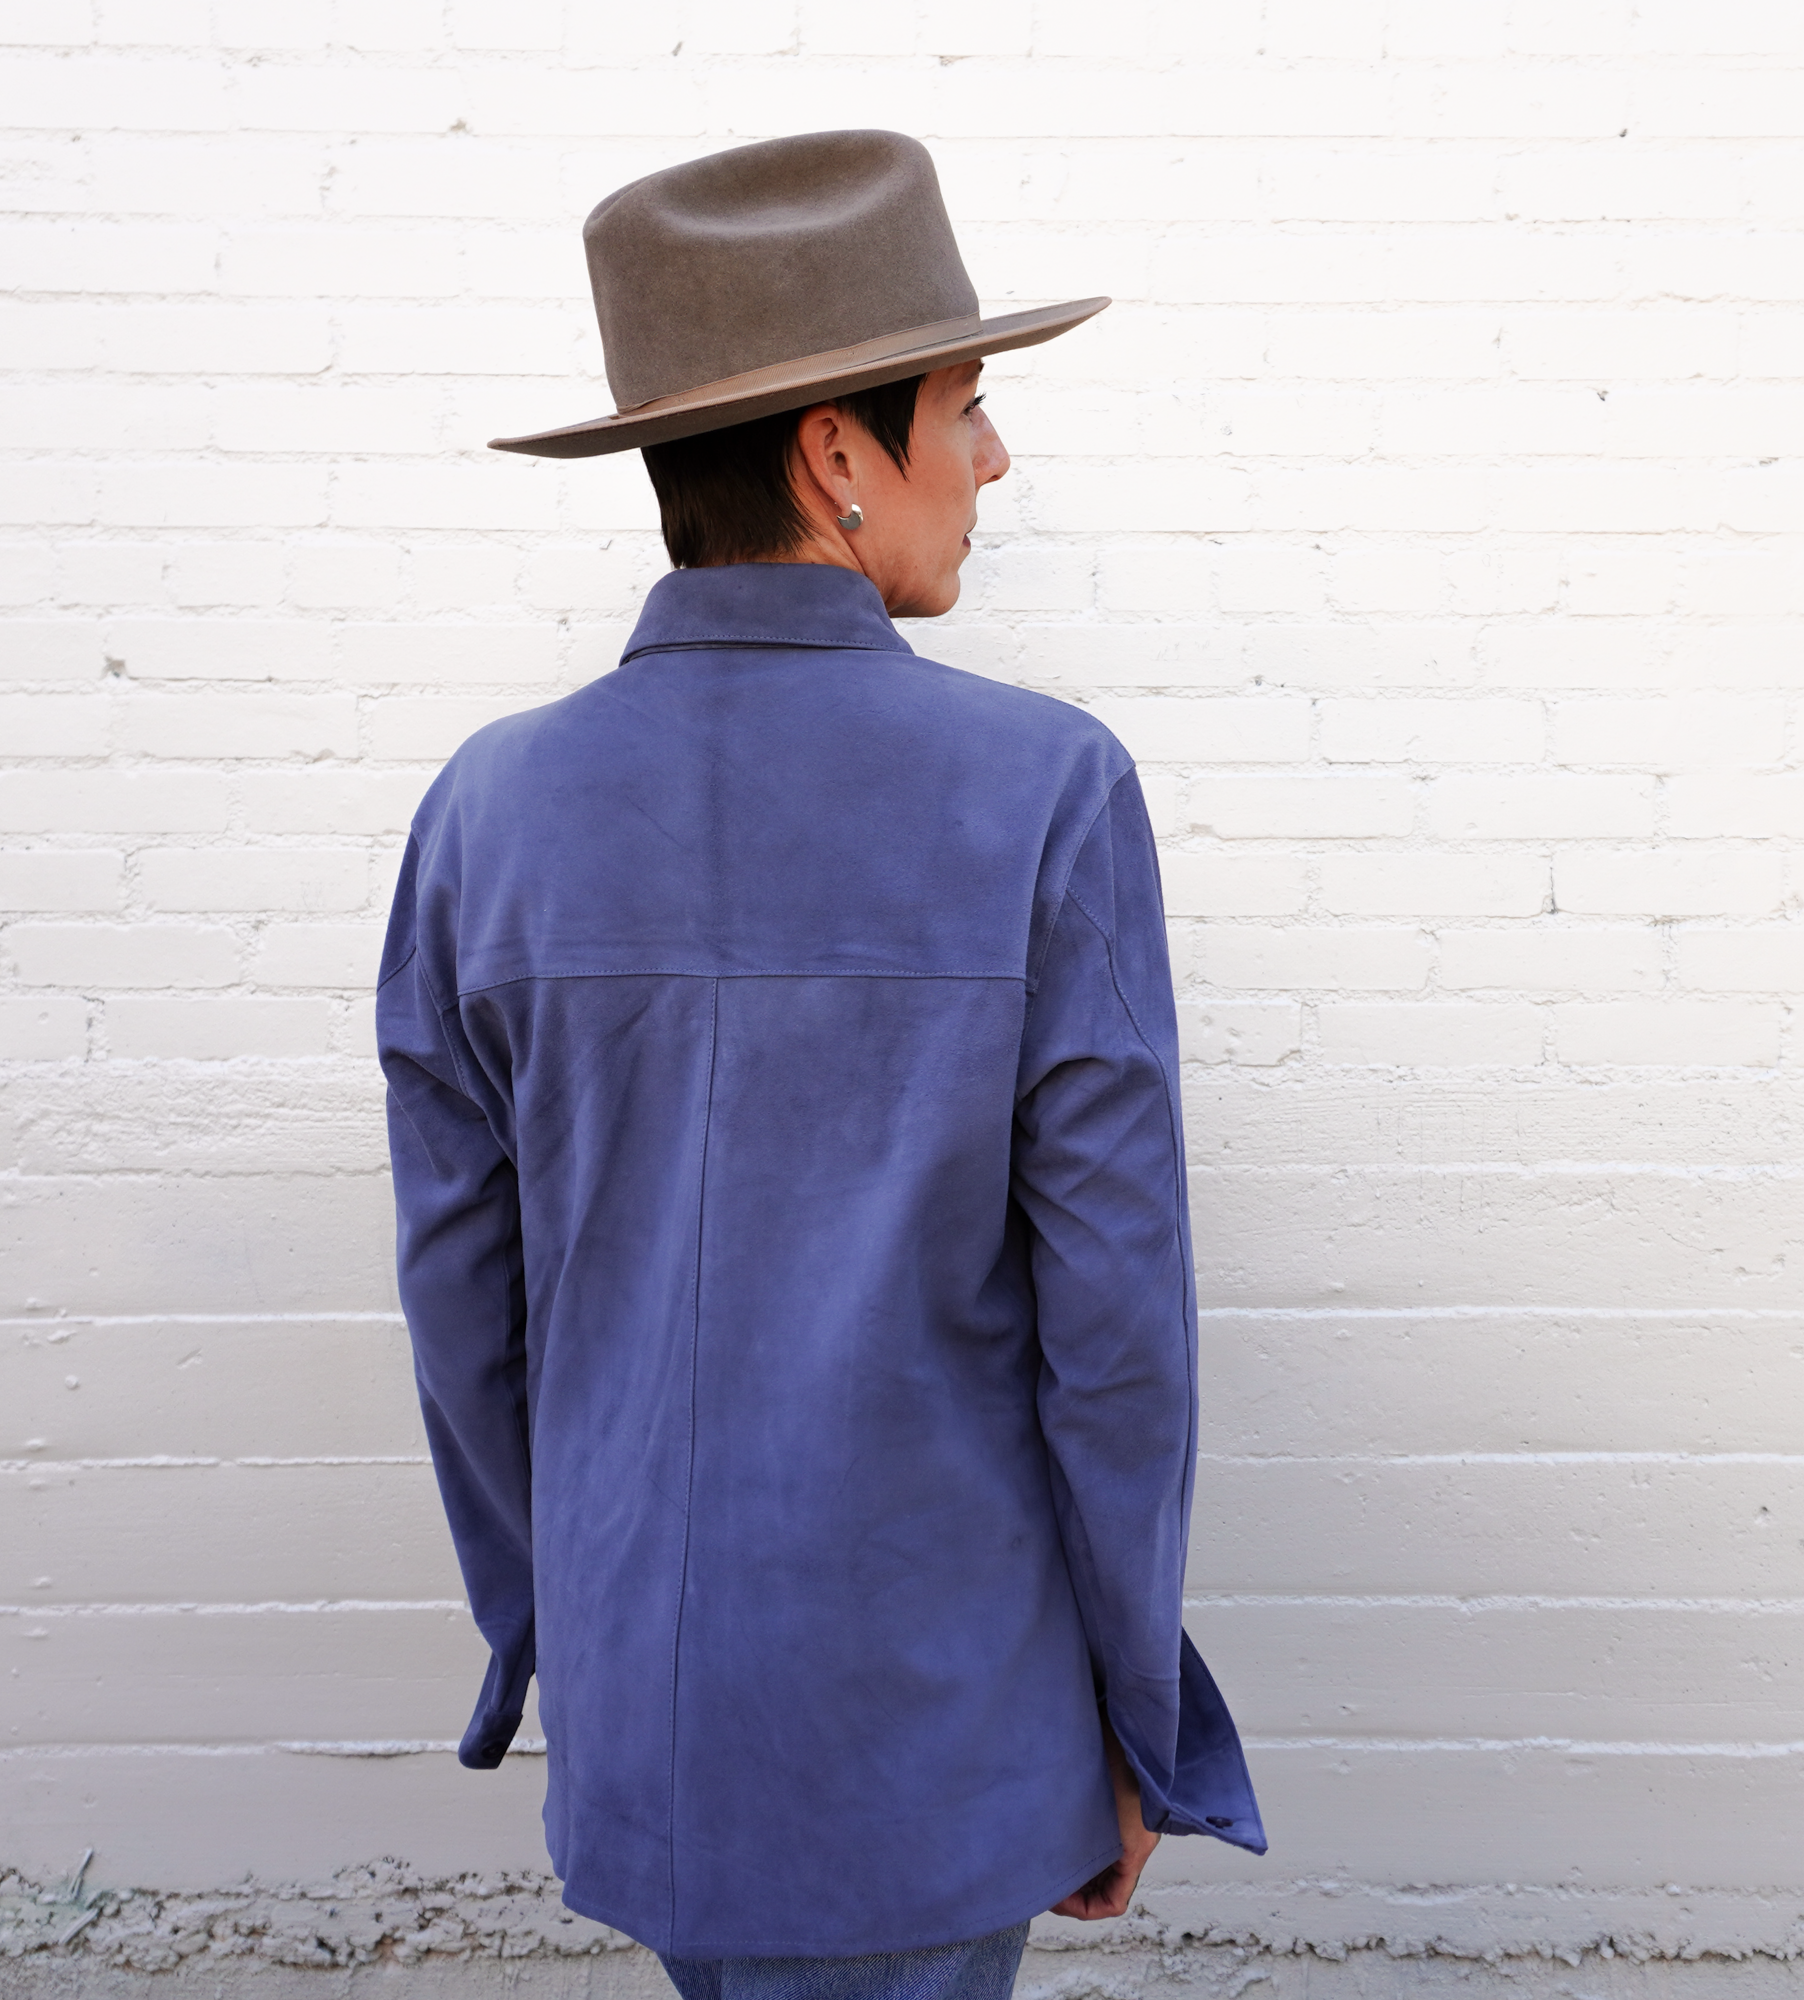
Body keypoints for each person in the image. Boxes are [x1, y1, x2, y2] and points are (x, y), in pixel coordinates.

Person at [376, 129, 1265, 2000]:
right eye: (967, 407)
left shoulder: (486, 815)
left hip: (652, 1719)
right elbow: (1117, 1333)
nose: (994, 460)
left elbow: (465, 1310)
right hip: (940, 1718)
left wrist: (557, 1629)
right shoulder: (1044, 792)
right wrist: (1135, 1706)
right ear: (839, 454)